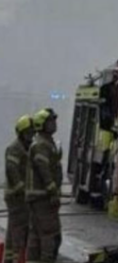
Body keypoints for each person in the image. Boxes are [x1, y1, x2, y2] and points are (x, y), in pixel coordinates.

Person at [26, 108, 62, 263]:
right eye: (51, 121)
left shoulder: (45, 143)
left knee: (36, 235)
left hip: (38, 198)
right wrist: (53, 191)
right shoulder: (41, 145)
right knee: (50, 234)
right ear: (42, 124)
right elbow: (44, 170)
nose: (54, 123)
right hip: (43, 198)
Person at [4, 115, 34, 263]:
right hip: (16, 197)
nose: (31, 136)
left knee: (12, 230)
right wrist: (22, 189)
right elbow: (11, 169)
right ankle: (16, 259)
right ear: (21, 133)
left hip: (21, 196)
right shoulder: (15, 148)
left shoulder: (28, 148)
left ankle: (9, 259)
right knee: (19, 231)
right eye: (28, 133)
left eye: (32, 132)